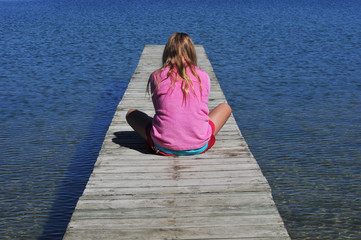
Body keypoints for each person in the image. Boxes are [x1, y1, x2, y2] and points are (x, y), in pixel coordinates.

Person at [126, 33, 231, 156]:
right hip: (199, 145)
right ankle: (193, 133)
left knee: (131, 114)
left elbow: (159, 108)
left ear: (167, 51)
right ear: (191, 52)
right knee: (225, 107)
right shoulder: (203, 76)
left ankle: (168, 134)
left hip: (162, 146)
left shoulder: (157, 76)